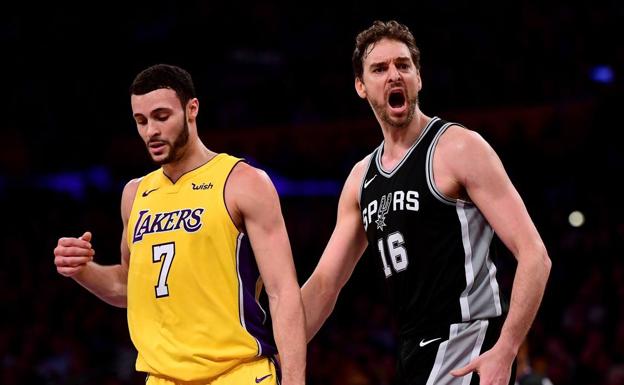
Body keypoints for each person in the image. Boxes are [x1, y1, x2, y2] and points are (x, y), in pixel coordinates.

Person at [301, 20, 551, 385]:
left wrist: (506, 348)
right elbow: (324, 284)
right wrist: (274, 350)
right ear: (360, 86)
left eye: (403, 65)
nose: (394, 75)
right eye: (380, 68)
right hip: (413, 351)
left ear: (418, 77)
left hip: (467, 343)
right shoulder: (361, 178)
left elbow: (534, 254)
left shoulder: (458, 148)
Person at [53, 64, 306, 385]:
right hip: (161, 377)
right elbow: (127, 286)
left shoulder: (242, 182)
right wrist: (82, 270)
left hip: (237, 373)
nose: (150, 131)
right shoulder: (135, 194)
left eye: (161, 117)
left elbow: (283, 293)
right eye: (141, 121)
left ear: (192, 109)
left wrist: (295, 381)